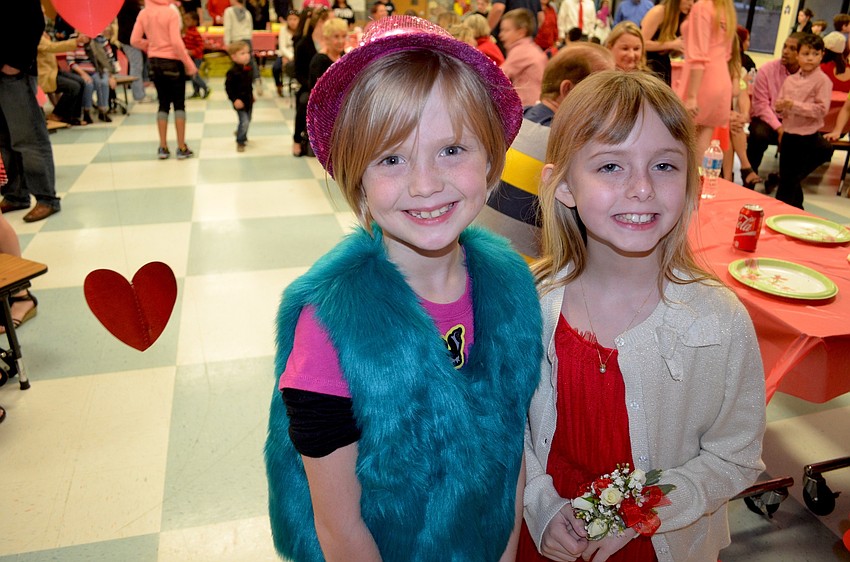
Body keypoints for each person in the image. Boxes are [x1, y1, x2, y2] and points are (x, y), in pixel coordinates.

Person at [264, 15, 541, 562]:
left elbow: (513, 451)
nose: (425, 183)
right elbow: (339, 529)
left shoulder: (511, 287)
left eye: (452, 150)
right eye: (391, 158)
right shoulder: (332, 326)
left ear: (491, 159)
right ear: (357, 178)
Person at [522, 70, 766, 562]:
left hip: (661, 543)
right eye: (611, 166)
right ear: (563, 186)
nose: (641, 188)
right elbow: (510, 430)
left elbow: (735, 457)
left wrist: (640, 513)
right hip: (546, 534)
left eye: (664, 165)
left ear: (692, 182)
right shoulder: (528, 302)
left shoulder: (719, 323)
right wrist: (541, 504)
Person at [477, 43, 614, 258]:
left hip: (474, 259)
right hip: (522, 273)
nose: (612, 104)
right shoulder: (569, 146)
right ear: (568, 90)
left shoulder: (517, 121)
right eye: (604, 93)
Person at [0, 0, 62, 223]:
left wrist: (16, 63)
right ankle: (15, 194)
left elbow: (34, 22)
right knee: (4, 139)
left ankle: (46, 198)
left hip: (14, 72)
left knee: (29, 138)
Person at [131, 0, 198, 160]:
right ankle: (181, 147)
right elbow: (176, 42)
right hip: (173, 62)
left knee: (163, 104)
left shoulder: (143, 13)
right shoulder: (170, 12)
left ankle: (163, 146)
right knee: (179, 104)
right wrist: (190, 64)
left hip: (154, 63)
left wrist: (150, 45)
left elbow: (134, 40)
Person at [774, 33, 833, 209]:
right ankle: (797, 209)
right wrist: (780, 107)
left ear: (822, 55)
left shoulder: (823, 81)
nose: (810, 58)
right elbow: (779, 104)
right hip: (789, 134)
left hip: (806, 137)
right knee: (788, 178)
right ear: (797, 55)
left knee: (789, 181)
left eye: (815, 54)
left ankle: (779, 210)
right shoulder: (790, 80)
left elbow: (821, 110)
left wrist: (794, 106)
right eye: (806, 54)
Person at [674, 0, 737, 158]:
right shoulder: (726, 10)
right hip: (721, 77)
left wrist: (692, 96)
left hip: (702, 80)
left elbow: (699, 55)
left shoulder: (702, 7)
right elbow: (727, 53)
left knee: (684, 140)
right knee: (703, 140)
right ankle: (699, 174)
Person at [746, 33, 803, 192]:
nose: (785, 51)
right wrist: (779, 128)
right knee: (758, 134)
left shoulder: (808, 76)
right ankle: (749, 178)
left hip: (794, 121)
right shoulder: (767, 70)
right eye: (785, 46)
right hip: (767, 119)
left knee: (823, 147)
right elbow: (761, 106)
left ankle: (782, 178)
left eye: (792, 48)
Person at [291, 7, 330, 156]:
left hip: (329, 88)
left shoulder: (331, 43)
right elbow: (298, 73)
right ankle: (296, 139)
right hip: (309, 86)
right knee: (304, 101)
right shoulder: (303, 44)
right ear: (320, 23)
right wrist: (314, 88)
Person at [38, 31, 91, 126]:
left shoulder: (43, 34)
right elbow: (52, 47)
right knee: (74, 87)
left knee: (81, 81)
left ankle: (74, 116)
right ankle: (57, 114)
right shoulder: (35, 36)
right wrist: (76, 41)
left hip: (53, 70)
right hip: (44, 74)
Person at [66, 32, 119, 123]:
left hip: (98, 70)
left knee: (102, 82)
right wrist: (83, 73)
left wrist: (111, 75)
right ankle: (86, 111)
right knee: (88, 84)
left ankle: (102, 110)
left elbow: (110, 58)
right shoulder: (73, 39)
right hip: (80, 71)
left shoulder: (100, 39)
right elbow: (70, 61)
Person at [499, 8, 547, 106]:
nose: (501, 35)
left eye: (506, 30)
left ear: (521, 33)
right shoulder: (533, 48)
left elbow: (496, 77)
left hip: (528, 108)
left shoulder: (520, 51)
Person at [640, 0, 690, 85]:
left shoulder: (681, 17)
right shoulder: (659, 11)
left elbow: (673, 53)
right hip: (646, 65)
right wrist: (671, 44)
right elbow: (642, 43)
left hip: (663, 65)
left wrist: (679, 48)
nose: (691, 4)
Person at [225, 0, 263, 93]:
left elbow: (228, 28)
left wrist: (227, 43)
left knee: (236, 63)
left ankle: (237, 84)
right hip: (247, 39)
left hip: (235, 40)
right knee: (251, 61)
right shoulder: (247, 12)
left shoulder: (229, 11)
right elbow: (250, 27)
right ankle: (257, 79)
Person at [226, 41, 254, 152]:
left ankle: (241, 131)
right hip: (239, 101)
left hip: (248, 100)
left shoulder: (249, 68)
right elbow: (229, 88)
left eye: (248, 52)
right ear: (234, 57)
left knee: (248, 119)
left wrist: (252, 95)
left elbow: (249, 85)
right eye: (242, 53)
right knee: (244, 121)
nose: (247, 55)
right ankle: (240, 141)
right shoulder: (232, 72)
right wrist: (234, 100)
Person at [118, 0, 148, 103]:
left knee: (137, 66)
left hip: (129, 38)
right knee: (136, 66)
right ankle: (139, 96)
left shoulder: (128, 4)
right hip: (129, 40)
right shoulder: (130, 4)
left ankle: (140, 94)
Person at [183, 11, 211, 99]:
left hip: (197, 58)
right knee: (191, 75)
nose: (186, 21)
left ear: (195, 21)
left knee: (194, 74)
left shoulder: (195, 33)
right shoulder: (186, 31)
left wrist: (193, 52)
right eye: (185, 19)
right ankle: (196, 91)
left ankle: (205, 87)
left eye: (188, 20)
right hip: (190, 57)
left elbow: (201, 46)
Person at [273, 9, 300, 97]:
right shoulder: (283, 30)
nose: (292, 22)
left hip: (298, 55)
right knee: (276, 68)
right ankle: (278, 85)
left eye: (295, 19)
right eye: (290, 19)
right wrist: (290, 56)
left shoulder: (301, 29)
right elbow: (282, 47)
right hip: (284, 54)